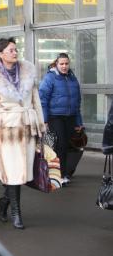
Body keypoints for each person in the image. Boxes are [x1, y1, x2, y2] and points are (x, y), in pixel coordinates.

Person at [0, 37, 45, 229]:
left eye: (16, 50)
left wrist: (41, 126)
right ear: (0, 54)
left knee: (23, 172)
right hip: (7, 129)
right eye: (11, 50)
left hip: (26, 127)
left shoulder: (27, 71)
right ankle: (17, 213)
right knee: (12, 172)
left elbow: (36, 101)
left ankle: (4, 202)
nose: (15, 53)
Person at [39, 53, 83, 185]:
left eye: (66, 63)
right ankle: (60, 175)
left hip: (70, 117)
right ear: (56, 64)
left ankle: (64, 172)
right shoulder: (50, 78)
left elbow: (77, 102)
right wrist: (45, 120)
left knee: (69, 146)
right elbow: (43, 100)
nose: (64, 66)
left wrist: (79, 122)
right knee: (60, 145)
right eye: (61, 64)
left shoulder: (72, 78)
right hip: (55, 117)